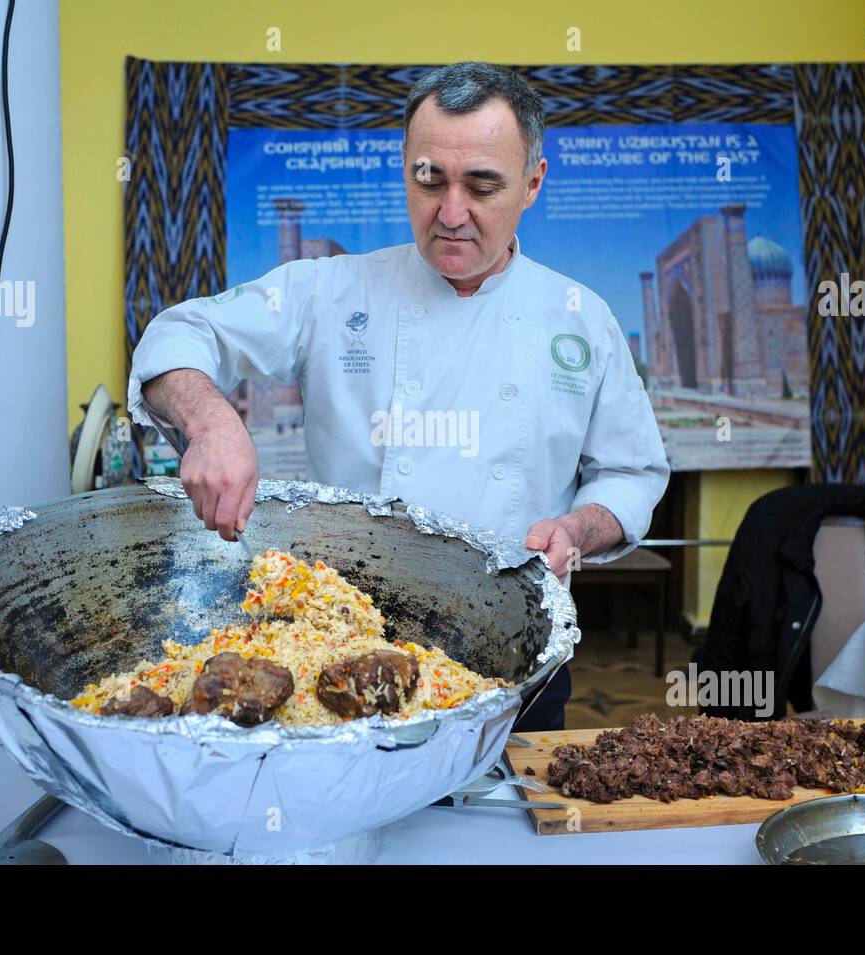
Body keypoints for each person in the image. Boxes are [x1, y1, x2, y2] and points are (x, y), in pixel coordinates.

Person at [128, 61, 670, 730]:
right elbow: (177, 333)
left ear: (532, 183)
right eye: (429, 179)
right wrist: (210, 420)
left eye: (482, 185)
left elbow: (632, 471)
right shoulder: (332, 291)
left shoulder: (580, 317)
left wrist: (575, 529)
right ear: (405, 169)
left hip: (518, 661)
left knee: (501, 831)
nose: (450, 213)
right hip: (350, 660)